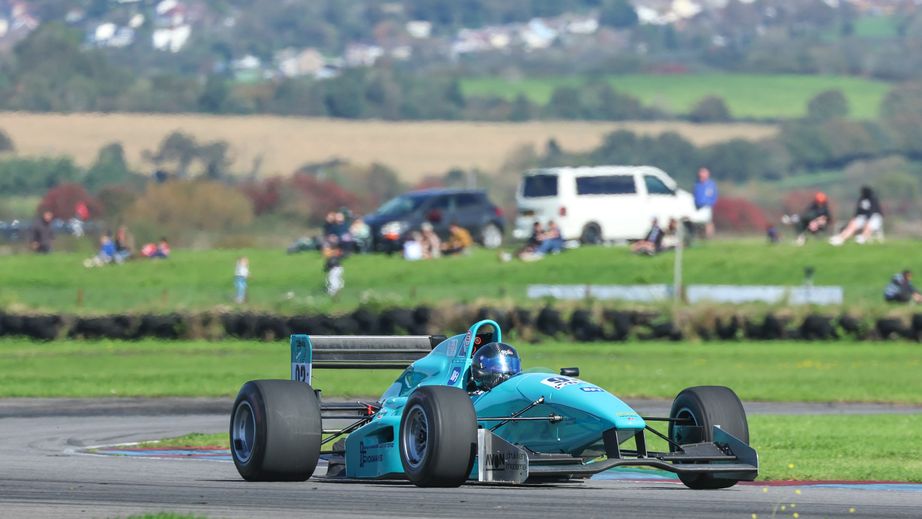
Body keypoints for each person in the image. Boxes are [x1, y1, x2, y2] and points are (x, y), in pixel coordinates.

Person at [693, 167, 718, 239]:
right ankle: (699, 236)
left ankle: (709, 237)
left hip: (707, 205)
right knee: (697, 222)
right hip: (697, 206)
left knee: (708, 222)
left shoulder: (711, 184)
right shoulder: (697, 184)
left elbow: (714, 195)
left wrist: (711, 203)